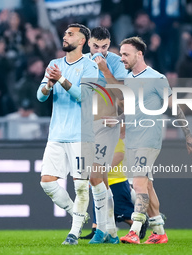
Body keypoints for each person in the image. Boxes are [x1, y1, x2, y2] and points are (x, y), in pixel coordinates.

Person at [118, 37, 192, 244]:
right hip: (132, 140)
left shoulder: (156, 78)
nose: (122, 58)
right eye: (120, 54)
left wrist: (188, 136)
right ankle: (159, 232)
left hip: (149, 139)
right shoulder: (128, 79)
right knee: (147, 186)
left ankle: (135, 231)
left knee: (138, 184)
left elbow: (175, 107)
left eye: (125, 54)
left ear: (139, 54)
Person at [37, 23, 98, 245]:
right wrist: (49, 85)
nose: (65, 36)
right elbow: (41, 96)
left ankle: (73, 234)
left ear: (82, 41)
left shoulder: (90, 67)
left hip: (81, 135)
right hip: (56, 134)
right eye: (65, 33)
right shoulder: (54, 64)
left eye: (70, 34)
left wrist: (61, 80)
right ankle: (78, 215)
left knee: (81, 185)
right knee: (47, 182)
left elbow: (84, 96)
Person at [84, 26, 127, 244]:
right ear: (88, 44)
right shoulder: (81, 62)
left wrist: (106, 71)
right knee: (102, 181)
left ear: (109, 44)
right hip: (85, 126)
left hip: (107, 125)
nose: (100, 51)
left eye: (104, 46)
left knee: (94, 176)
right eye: (95, 46)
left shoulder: (116, 62)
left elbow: (122, 94)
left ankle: (100, 230)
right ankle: (111, 231)